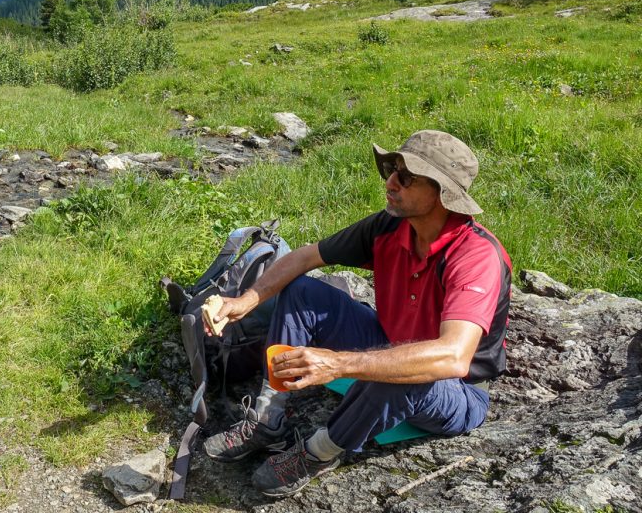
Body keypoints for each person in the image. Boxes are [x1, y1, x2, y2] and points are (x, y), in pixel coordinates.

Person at [203, 130, 512, 498]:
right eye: (392, 170)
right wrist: (245, 301)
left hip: (457, 391)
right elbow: (306, 256)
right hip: (389, 339)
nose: (391, 182)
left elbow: (453, 357)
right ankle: (268, 421)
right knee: (302, 292)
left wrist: (338, 364)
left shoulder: (475, 258)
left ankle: (319, 452)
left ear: (442, 194)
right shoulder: (389, 227)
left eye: (406, 177)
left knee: (403, 370)